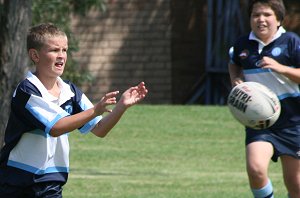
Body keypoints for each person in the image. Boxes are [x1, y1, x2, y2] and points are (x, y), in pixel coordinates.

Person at [0, 23, 148, 197]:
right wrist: (94, 110)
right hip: (16, 183)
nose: (61, 56)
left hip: (51, 184)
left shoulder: (70, 92)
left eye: (64, 50)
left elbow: (100, 129)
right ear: (35, 55)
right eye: (54, 50)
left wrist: (121, 106)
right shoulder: (27, 91)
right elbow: (56, 127)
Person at [228, 0, 300, 197]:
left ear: (278, 19)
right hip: (259, 121)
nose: (261, 19)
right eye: (255, 15)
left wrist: (281, 68)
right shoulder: (243, 44)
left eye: (267, 15)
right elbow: (234, 62)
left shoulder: (291, 42)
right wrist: (236, 78)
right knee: (256, 169)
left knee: (296, 186)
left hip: (293, 123)